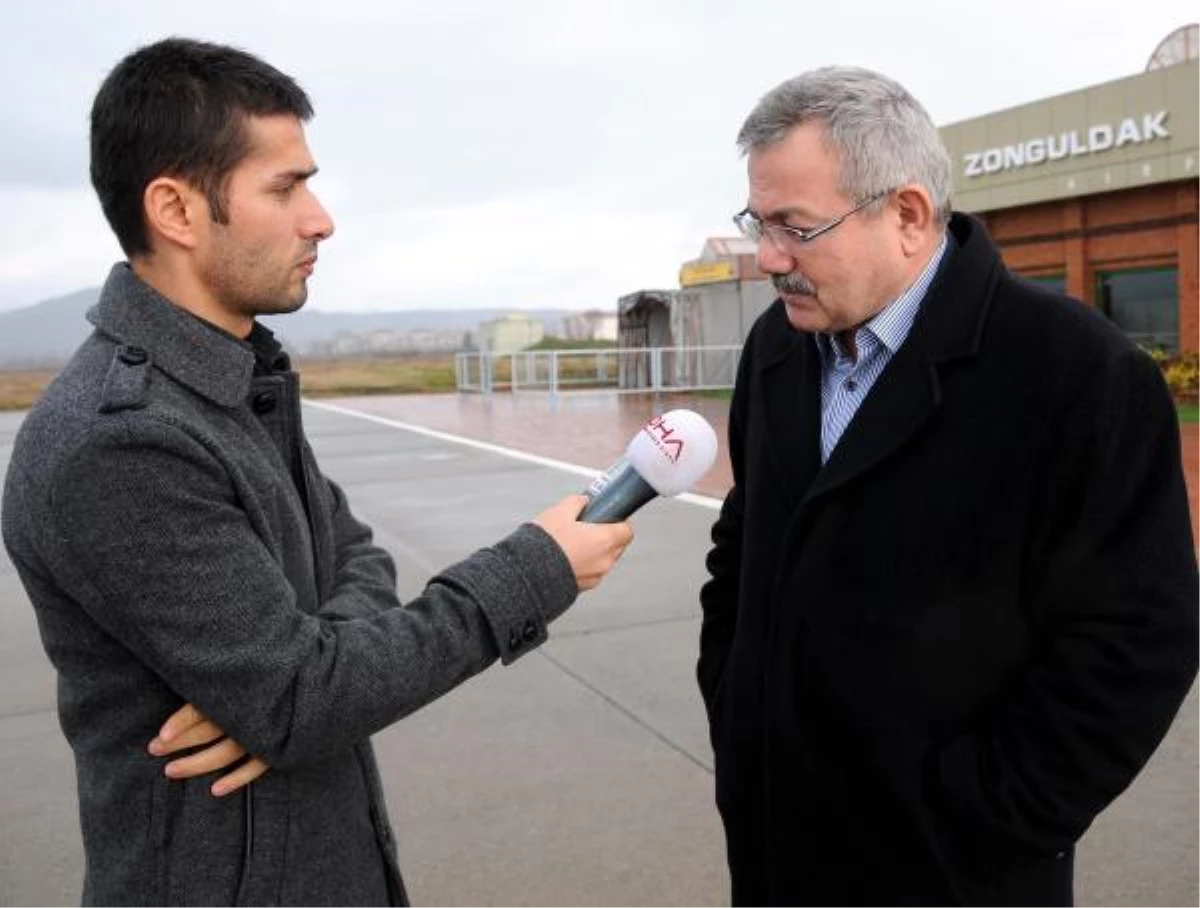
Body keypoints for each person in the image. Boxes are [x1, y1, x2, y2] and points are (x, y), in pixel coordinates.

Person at [1, 37, 634, 907]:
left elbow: (357, 557)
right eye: (285, 186)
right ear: (176, 211)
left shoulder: (231, 383)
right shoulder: (122, 440)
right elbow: (306, 696)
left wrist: (300, 685)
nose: (321, 218)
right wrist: (538, 567)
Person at [697, 65, 1199, 907]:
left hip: (955, 874)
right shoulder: (775, 353)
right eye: (758, 219)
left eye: (795, 226)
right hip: (775, 853)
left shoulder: (1076, 374)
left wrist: (976, 818)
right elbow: (743, 546)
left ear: (907, 215)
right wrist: (736, 708)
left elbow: (1137, 639)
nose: (767, 256)